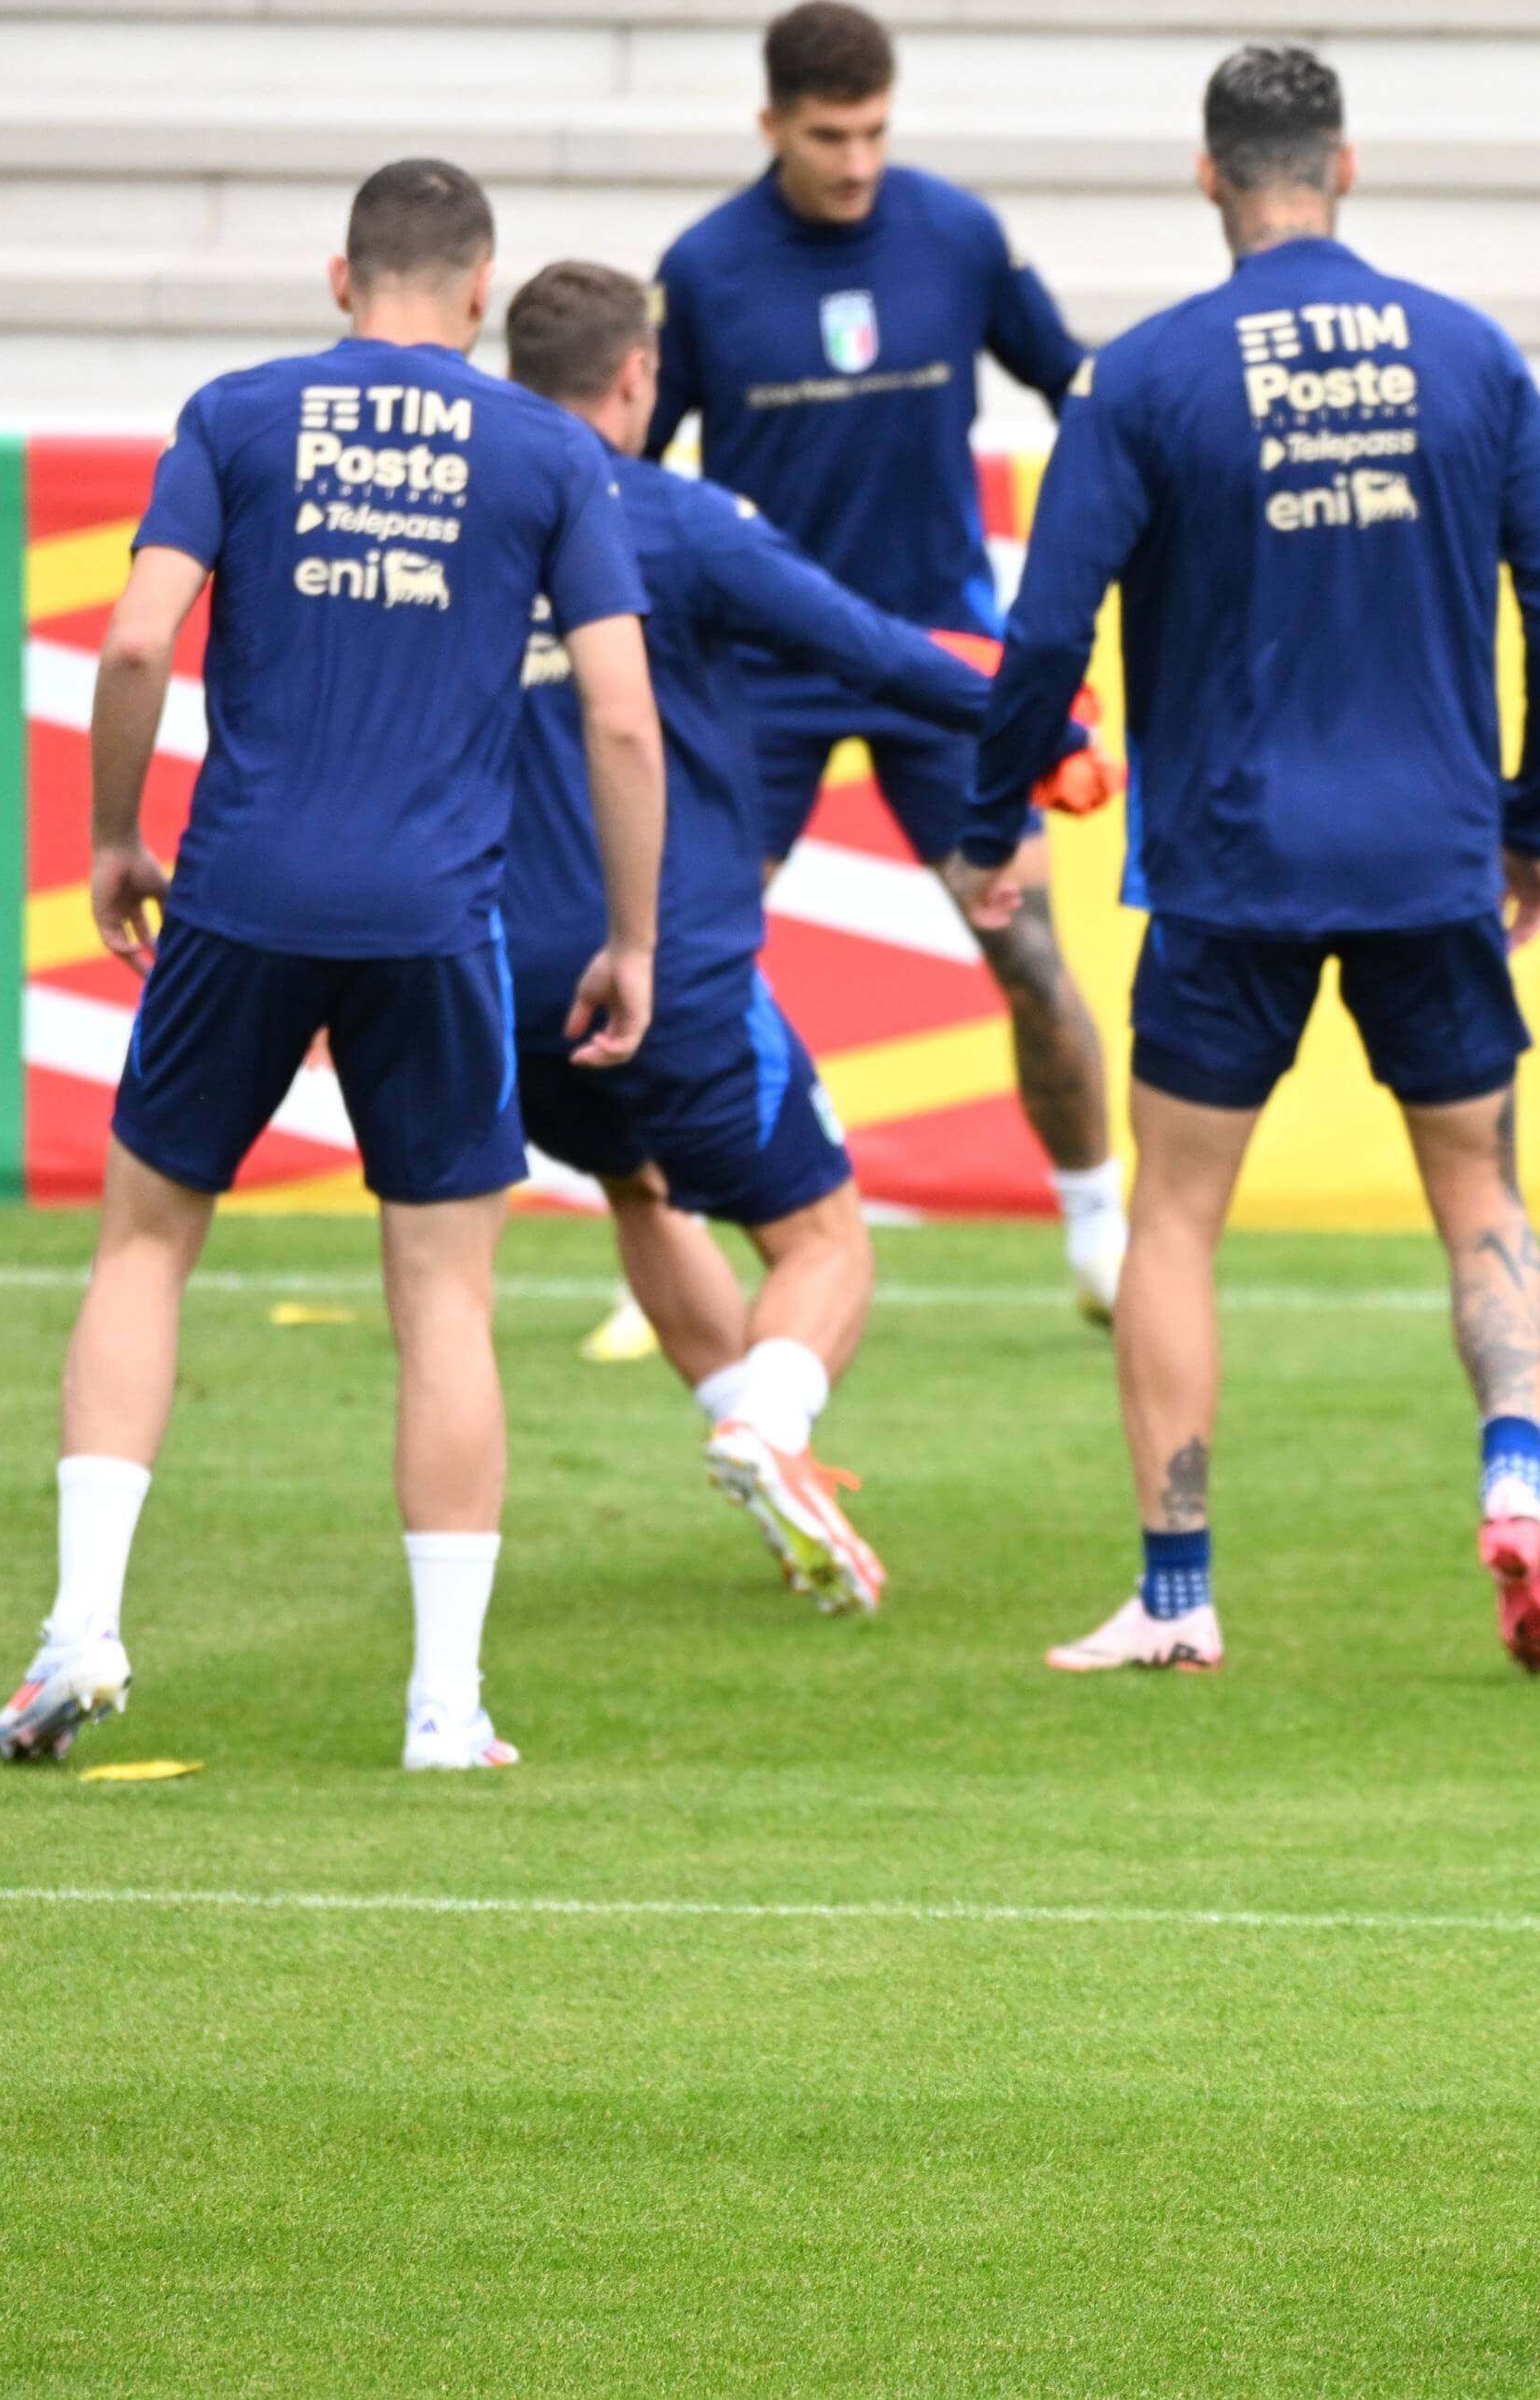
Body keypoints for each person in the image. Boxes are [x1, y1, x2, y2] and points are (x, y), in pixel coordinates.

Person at [0, 162, 663, 1772]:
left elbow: (141, 639)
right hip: (437, 915)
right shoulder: (552, 449)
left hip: (241, 890)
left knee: (147, 1245)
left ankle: (82, 1625)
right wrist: (635, 939)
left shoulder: (236, 411)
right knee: (443, 1292)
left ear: (337, 274)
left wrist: (107, 837)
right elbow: (624, 716)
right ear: (482, 286)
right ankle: (446, 1705)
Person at [962, 45, 1540, 1676]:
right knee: (1475, 1186)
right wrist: (1528, 817)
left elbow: (1043, 630)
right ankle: (1515, 1468)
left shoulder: (1145, 377)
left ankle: (1177, 1590)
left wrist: (989, 828)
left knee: (1174, 1219)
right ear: (1347, 164)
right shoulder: (1472, 356)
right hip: (1429, 852)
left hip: (1232, 859)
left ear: (1207, 175)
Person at [503, 260, 1040, 1610]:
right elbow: (867, 647)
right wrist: (1039, 724)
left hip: (485, 973)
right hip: (660, 958)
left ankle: (766, 1455)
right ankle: (771, 1428)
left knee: (633, 1180)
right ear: (639, 379)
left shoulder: (456, 524)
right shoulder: (676, 524)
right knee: (822, 1239)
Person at [644, 1, 1127, 1322]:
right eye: (825, 137)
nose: (854, 162)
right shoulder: (704, 269)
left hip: (942, 661)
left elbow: (1077, 387)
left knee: (1028, 950)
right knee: (689, 952)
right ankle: (677, 1226)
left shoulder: (957, 235)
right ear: (770, 127)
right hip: (765, 670)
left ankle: (1099, 1229)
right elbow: (625, 471)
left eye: (871, 132)